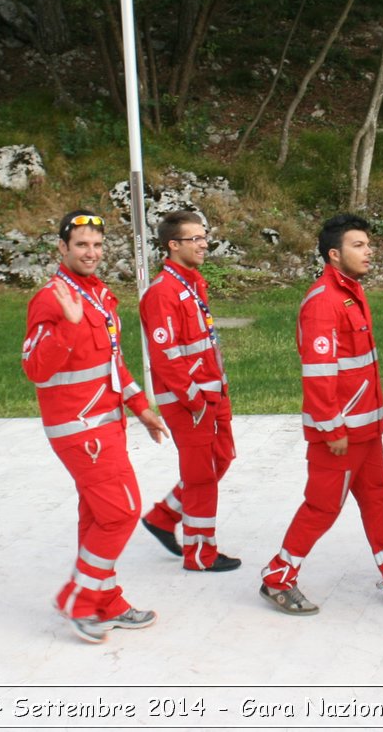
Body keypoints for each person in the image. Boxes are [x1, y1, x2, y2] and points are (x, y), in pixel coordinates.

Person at [259, 214, 383, 615]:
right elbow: (319, 372)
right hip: (340, 432)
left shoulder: (349, 293)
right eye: (358, 246)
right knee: (322, 507)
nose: (368, 252)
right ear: (333, 254)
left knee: (379, 499)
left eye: (368, 244)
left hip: (365, 429)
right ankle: (277, 577)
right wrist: (331, 427)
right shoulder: (324, 302)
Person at [22, 210, 169, 643]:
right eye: (82, 245)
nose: (91, 253)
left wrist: (140, 407)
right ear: (62, 248)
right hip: (78, 428)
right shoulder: (52, 298)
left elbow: (112, 362)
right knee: (121, 510)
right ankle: (79, 598)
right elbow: (35, 368)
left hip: (108, 423)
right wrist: (66, 328)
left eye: (97, 245)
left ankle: (106, 600)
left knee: (97, 514)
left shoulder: (100, 295)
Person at [139, 211, 240, 572]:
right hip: (190, 402)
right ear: (173, 245)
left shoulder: (193, 283)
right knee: (200, 477)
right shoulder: (162, 292)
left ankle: (163, 517)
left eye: (204, 236)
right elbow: (167, 357)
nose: (203, 243)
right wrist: (195, 400)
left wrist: (219, 391)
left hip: (214, 394)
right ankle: (200, 554)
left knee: (221, 459)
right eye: (194, 238)